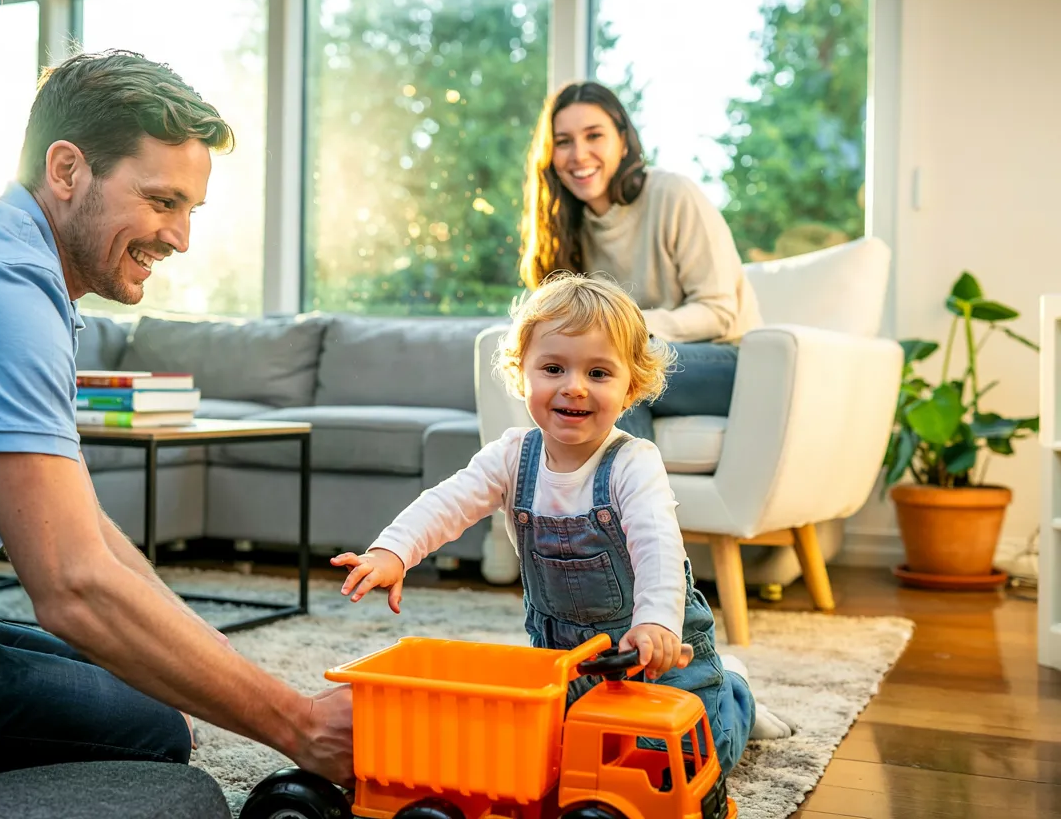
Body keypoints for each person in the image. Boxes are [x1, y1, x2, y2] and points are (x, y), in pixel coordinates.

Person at [0, 50, 352, 793]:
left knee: (161, 681)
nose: (181, 238)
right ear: (66, 170)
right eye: (161, 201)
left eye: (190, 210)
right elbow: (73, 584)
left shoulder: (2, 258)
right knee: (154, 731)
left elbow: (80, 528)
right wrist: (296, 724)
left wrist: (204, 650)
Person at [330, 274, 793, 778]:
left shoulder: (633, 462)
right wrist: (392, 552)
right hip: (566, 663)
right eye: (553, 368)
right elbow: (447, 502)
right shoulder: (511, 456)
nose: (573, 386)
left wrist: (658, 622)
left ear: (631, 386)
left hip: (658, 654)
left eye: (598, 373)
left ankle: (734, 692)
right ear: (520, 374)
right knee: (553, 760)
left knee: (687, 763)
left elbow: (657, 546)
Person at [519, 81, 763, 441]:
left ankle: (623, 497)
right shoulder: (566, 227)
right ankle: (582, 493)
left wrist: (621, 332)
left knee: (613, 368)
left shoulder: (672, 194)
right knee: (590, 370)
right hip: (642, 355)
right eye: (564, 141)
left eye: (594, 136)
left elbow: (718, 311)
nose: (579, 154)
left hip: (726, 362)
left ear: (622, 139)